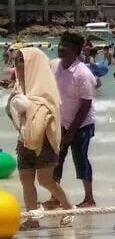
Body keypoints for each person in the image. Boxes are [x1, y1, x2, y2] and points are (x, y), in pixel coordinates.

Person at [7, 47, 73, 225]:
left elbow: (47, 112)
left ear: (33, 65)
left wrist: (27, 105)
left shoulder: (46, 88)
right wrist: (13, 102)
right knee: (26, 179)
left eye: (22, 62)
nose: (18, 67)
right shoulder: (19, 87)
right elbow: (13, 114)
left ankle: (67, 207)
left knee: (45, 180)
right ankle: (32, 219)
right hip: (25, 140)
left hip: (44, 142)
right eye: (17, 62)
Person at [53, 32, 98, 207]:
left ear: (76, 51)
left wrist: (72, 131)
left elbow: (86, 105)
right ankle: (55, 197)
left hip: (82, 124)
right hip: (61, 121)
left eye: (65, 45)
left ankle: (89, 198)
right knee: (56, 158)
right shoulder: (56, 66)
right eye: (60, 43)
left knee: (80, 158)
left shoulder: (83, 73)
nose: (60, 48)